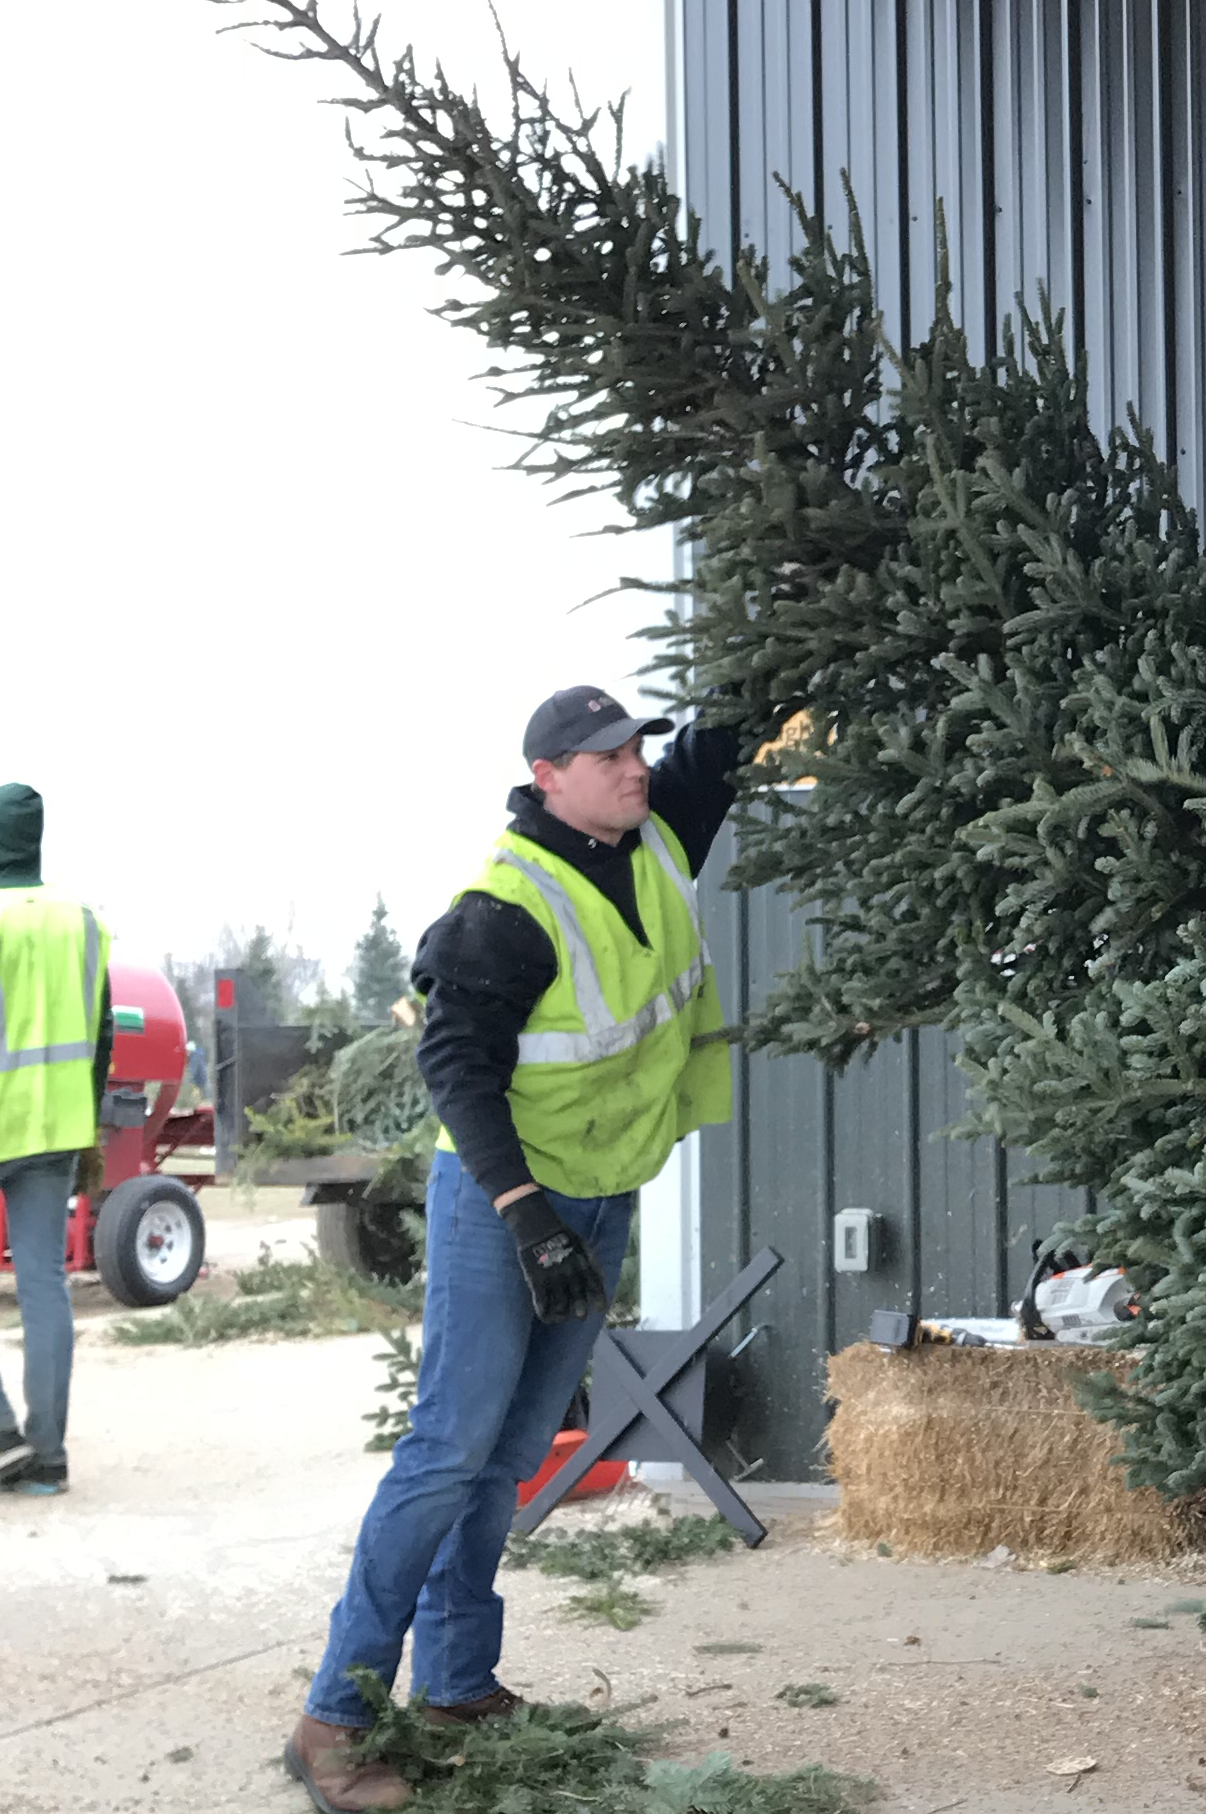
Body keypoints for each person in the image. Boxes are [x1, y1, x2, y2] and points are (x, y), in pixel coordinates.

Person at [284, 690, 737, 1814]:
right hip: (505, 1201)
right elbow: (455, 1067)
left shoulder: (656, 832)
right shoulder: (503, 909)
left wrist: (767, 626)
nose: (634, 766)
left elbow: (723, 738)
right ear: (549, 773)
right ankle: (333, 1719)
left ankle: (455, 1683)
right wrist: (524, 1213)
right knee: (448, 1448)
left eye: (636, 747)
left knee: (515, 1447)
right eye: (606, 754)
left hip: (600, 1191)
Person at [0, 780, 112, 1497]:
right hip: (60, 1125)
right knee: (44, 1283)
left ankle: (3, 1435)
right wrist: (91, 1124)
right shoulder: (82, 922)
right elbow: (101, 1033)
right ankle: (46, 1456)